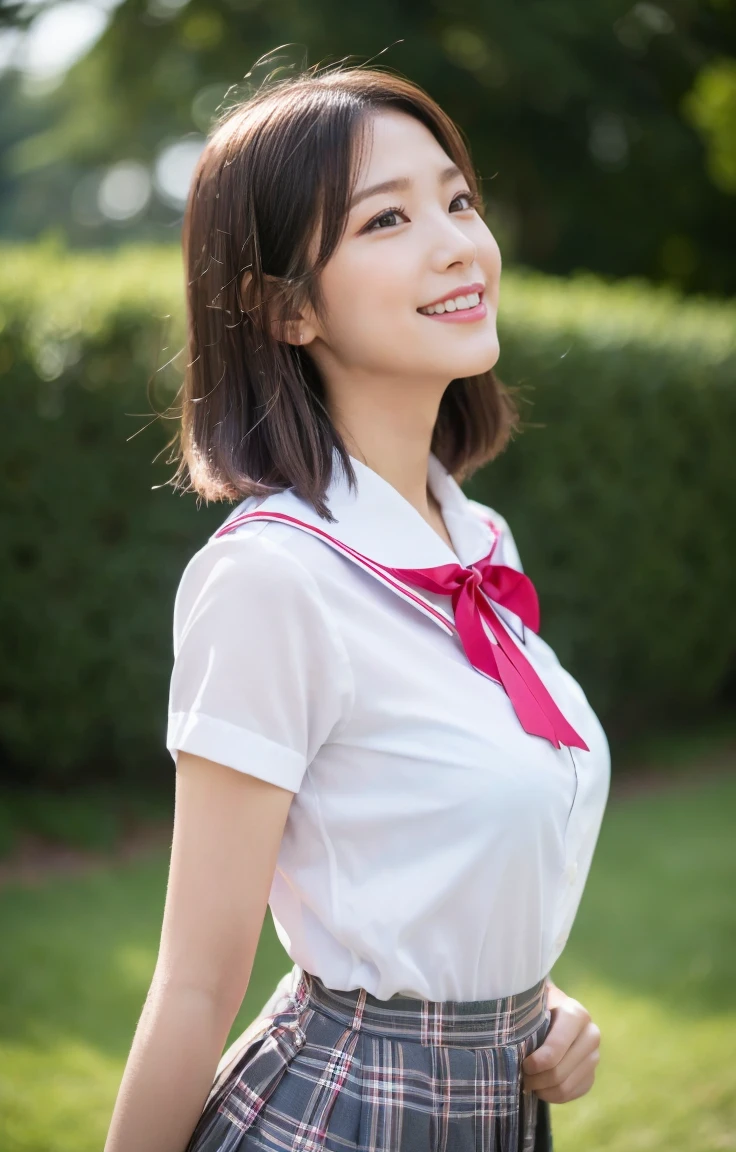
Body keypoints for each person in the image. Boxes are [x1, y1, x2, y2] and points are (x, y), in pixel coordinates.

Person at [104, 62, 611, 1152]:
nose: (457, 243)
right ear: (285, 307)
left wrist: (537, 1002)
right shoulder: (274, 579)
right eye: (388, 218)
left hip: (498, 1110)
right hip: (339, 1119)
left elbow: (424, 852)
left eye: (458, 200)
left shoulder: (475, 541)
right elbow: (196, 985)